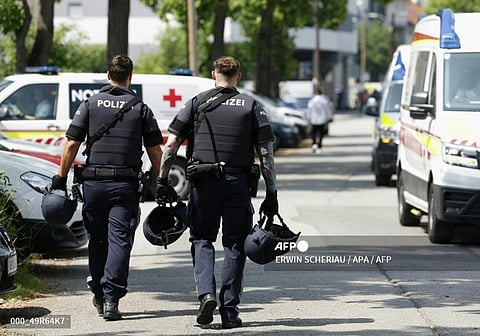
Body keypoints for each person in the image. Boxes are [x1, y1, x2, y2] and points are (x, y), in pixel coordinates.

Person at [157, 56, 278, 329]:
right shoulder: (253, 106)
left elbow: (172, 143)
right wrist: (272, 193)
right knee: (235, 243)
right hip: (237, 183)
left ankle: (206, 294)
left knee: (201, 238)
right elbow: (265, 154)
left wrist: (163, 180)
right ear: (239, 75)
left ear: (214, 74)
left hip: (204, 182)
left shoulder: (197, 103)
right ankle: (230, 311)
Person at [49, 55, 164, 321]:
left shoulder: (89, 103)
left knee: (97, 240)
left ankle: (99, 294)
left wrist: (60, 178)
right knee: (120, 241)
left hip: (94, 185)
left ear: (107, 75)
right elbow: (155, 150)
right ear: (130, 77)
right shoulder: (140, 107)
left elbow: (71, 144)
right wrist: (163, 181)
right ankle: (112, 298)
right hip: (124, 186)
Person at [307, 87, 331, 154]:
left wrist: (309, 118)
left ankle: (314, 144)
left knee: (313, 133)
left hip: (314, 120)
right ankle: (319, 145)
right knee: (320, 134)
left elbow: (309, 111)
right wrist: (328, 117)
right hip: (322, 119)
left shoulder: (312, 101)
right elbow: (327, 110)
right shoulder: (324, 100)